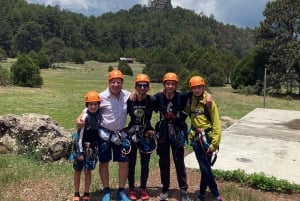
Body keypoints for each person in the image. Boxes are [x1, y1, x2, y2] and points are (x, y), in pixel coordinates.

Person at [77, 69, 131, 201]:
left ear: (122, 83)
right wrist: (81, 116)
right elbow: (90, 106)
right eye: (113, 82)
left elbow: (138, 97)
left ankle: (121, 191)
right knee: (104, 162)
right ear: (109, 82)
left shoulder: (127, 95)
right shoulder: (102, 96)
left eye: (118, 82)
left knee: (124, 163)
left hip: (120, 135)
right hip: (104, 135)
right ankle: (106, 190)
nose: (116, 84)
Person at [184, 76, 224, 201]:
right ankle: (206, 194)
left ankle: (211, 193)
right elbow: (181, 110)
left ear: (203, 87)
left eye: (199, 87)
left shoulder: (209, 103)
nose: (196, 90)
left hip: (208, 139)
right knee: (204, 167)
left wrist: (214, 144)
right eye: (194, 88)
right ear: (191, 89)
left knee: (205, 167)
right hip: (196, 139)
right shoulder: (190, 102)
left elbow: (217, 124)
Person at [153, 72, 192, 201]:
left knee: (179, 161)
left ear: (176, 85)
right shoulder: (158, 97)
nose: (170, 86)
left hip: (177, 131)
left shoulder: (182, 96)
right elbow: (145, 100)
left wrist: (208, 95)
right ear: (164, 84)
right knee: (164, 161)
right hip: (163, 132)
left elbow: (197, 92)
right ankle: (165, 188)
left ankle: (183, 189)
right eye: (168, 84)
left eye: (173, 84)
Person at [126, 74, 156, 201]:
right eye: (140, 85)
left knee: (145, 164)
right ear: (135, 86)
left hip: (146, 134)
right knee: (131, 163)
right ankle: (131, 188)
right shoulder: (130, 100)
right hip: (132, 133)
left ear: (148, 87)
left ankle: (143, 188)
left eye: (145, 85)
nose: (142, 87)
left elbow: (168, 100)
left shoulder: (152, 100)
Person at [72, 91, 102, 201]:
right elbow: (79, 135)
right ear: (87, 105)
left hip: (92, 147)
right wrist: (79, 151)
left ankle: (86, 193)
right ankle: (76, 193)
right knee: (78, 170)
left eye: (95, 104)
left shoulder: (99, 113)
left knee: (88, 170)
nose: (93, 106)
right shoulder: (84, 117)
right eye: (90, 104)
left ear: (99, 105)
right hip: (81, 145)